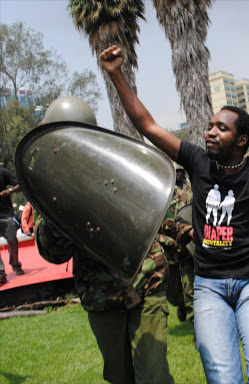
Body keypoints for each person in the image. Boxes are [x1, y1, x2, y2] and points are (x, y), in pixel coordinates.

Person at [99, 45, 249, 384]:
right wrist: (116, 73)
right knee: (222, 377)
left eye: (221, 128)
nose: (210, 132)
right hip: (209, 287)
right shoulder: (197, 161)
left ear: (242, 139)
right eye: (210, 126)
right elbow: (146, 125)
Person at [34, 96, 174, 384]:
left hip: (145, 280)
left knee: (154, 376)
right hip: (100, 294)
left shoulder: (117, 164)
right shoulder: (46, 181)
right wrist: (59, 207)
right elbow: (52, 253)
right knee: (119, 376)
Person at [159, 163, 194, 322]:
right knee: (173, 286)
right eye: (176, 171)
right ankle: (180, 304)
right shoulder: (166, 192)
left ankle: (195, 320)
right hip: (174, 244)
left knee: (189, 283)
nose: (178, 174)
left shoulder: (192, 188)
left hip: (192, 242)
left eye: (180, 171)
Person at [0, 167, 23, 285]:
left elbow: (20, 184)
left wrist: (9, 191)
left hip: (6, 213)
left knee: (12, 239)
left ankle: (15, 264)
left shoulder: (3, 172)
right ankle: (0, 273)